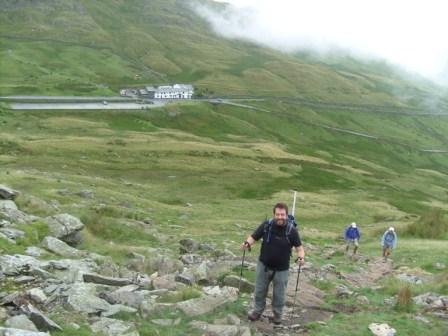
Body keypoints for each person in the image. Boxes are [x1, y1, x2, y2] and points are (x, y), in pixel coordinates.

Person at [241, 202, 305, 325]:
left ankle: (277, 315)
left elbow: (299, 248)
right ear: (274, 214)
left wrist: (301, 258)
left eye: (282, 214)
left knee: (279, 295)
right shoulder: (266, 226)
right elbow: (254, 237)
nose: (280, 217)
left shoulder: (292, 231)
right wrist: (247, 243)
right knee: (260, 290)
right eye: (278, 214)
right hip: (263, 265)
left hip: (282, 269)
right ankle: (257, 312)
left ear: (286, 215)